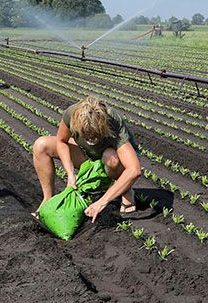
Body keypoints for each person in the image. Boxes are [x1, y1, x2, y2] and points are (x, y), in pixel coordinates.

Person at [32, 95, 142, 223]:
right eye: (86, 136)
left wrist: (101, 202)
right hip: (86, 155)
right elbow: (61, 141)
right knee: (41, 145)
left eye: (95, 136)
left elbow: (134, 170)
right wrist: (70, 173)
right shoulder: (71, 114)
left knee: (111, 158)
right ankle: (47, 199)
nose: (91, 140)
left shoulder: (114, 121)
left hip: (111, 162)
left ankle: (127, 192)